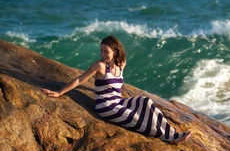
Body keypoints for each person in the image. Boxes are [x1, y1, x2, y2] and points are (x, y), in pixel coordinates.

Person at [42, 35, 191, 145]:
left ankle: (173, 133)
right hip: (105, 107)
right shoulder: (100, 66)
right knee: (135, 118)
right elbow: (80, 79)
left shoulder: (121, 65)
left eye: (106, 51)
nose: (103, 55)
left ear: (115, 50)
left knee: (145, 101)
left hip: (119, 102)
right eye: (101, 51)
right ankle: (170, 138)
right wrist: (60, 92)